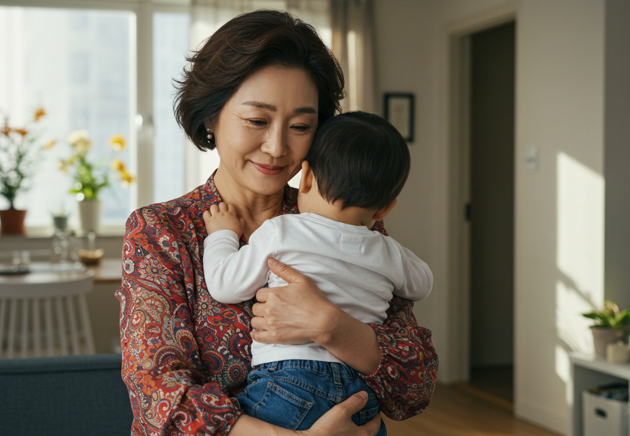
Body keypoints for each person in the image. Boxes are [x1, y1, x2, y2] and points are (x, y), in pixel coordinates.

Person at [115, 10, 438, 436]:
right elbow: (159, 396)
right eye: (257, 121)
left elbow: (414, 387)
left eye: (301, 125)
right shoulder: (161, 231)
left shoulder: (346, 218)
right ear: (211, 118)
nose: (276, 146)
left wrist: (333, 327)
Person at [201, 111, 433, 434]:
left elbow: (225, 284)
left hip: (287, 381)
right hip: (358, 392)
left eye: (298, 127)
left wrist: (222, 235)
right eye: (257, 120)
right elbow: (422, 284)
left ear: (306, 177)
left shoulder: (280, 231)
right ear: (384, 209)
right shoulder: (387, 250)